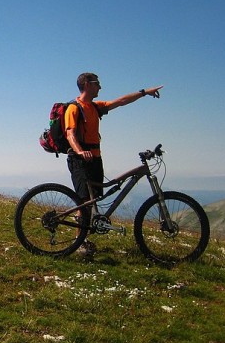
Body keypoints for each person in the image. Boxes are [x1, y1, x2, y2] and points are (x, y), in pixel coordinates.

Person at [64, 72, 163, 256]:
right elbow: (70, 133)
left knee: (93, 200)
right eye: (97, 83)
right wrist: (79, 151)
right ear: (86, 84)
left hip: (95, 159)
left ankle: (85, 237)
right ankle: (80, 243)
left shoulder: (94, 107)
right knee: (84, 202)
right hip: (80, 160)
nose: (100, 87)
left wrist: (144, 92)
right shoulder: (74, 108)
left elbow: (121, 101)